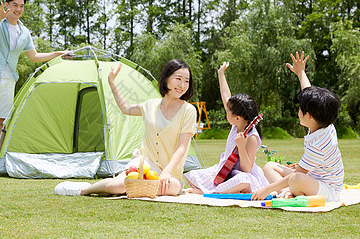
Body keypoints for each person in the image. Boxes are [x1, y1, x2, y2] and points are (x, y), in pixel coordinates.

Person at [54, 59, 197, 196]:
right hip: (145, 164)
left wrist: (166, 172)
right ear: (166, 79)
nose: (183, 85)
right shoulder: (151, 105)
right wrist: (111, 82)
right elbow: (126, 108)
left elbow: (182, 148)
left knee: (170, 188)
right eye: (178, 79)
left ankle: (121, 188)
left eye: (186, 81)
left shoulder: (188, 110)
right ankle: (84, 189)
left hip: (171, 172)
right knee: (118, 186)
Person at [0, 0, 69, 174]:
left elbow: (34, 56)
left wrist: (58, 54)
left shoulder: (24, 32)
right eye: (15, 5)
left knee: (1, 121)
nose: (18, 9)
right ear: (8, 5)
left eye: (21, 6)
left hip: (9, 79)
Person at [252, 52, 344, 202]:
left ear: (309, 116)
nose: (298, 111)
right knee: (270, 166)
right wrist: (301, 73)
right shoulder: (323, 123)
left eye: (301, 109)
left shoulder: (320, 143)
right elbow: (308, 94)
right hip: (312, 179)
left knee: (295, 178)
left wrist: (267, 189)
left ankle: (289, 193)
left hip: (328, 190)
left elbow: (299, 174)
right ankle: (288, 193)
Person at [184, 62, 268, 194]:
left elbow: (247, 168)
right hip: (225, 170)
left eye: (227, 112)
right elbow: (225, 96)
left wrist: (241, 146)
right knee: (195, 174)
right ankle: (219, 189)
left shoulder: (252, 137)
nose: (226, 112)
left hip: (242, 174)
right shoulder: (236, 124)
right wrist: (221, 73)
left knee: (243, 180)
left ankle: (213, 191)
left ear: (238, 117)